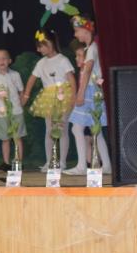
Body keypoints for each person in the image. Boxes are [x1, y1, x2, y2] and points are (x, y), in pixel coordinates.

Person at [21, 28, 75, 170]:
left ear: (50, 43)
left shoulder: (63, 60)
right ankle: (49, 161)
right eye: (38, 47)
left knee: (62, 129)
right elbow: (32, 78)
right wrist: (26, 95)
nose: (38, 50)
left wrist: (74, 96)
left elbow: (71, 79)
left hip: (63, 95)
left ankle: (62, 162)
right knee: (49, 130)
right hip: (48, 99)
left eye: (41, 46)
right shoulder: (41, 62)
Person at [68, 16, 109, 175]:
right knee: (94, 129)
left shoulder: (92, 49)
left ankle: (82, 166)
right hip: (93, 90)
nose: (75, 35)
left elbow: (87, 71)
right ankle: (106, 165)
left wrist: (80, 93)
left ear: (86, 30)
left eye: (77, 31)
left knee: (77, 128)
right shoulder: (91, 47)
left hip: (90, 90)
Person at [0, 49, 25, 167]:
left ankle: (18, 162)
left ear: (9, 60)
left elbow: (21, 91)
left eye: (4, 58)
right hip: (2, 112)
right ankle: (6, 162)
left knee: (17, 137)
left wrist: (20, 104)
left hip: (16, 111)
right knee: (5, 138)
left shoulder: (15, 75)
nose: (1, 61)